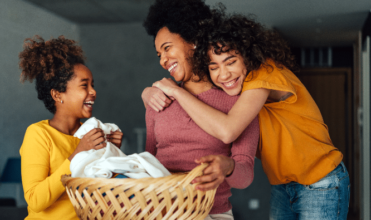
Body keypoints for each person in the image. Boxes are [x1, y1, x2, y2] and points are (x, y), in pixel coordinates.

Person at [143, 9, 350, 220]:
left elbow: (228, 130)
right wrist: (149, 93)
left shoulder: (263, 74)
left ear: (247, 55)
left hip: (320, 178)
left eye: (231, 61)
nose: (223, 74)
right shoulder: (236, 87)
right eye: (214, 66)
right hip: (284, 183)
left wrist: (175, 91)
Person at [143, 1, 259, 219]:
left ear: (194, 41)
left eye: (167, 48)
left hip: (214, 212)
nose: (163, 60)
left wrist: (228, 167)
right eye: (159, 54)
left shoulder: (239, 104)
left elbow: (245, 176)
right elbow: (146, 164)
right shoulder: (158, 99)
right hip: (164, 210)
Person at [18, 36, 123, 220]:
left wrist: (112, 153)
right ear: (58, 95)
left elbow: (98, 192)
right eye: (84, 85)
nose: (93, 91)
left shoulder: (89, 135)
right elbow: (35, 200)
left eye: (93, 85)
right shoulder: (38, 134)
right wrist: (78, 154)